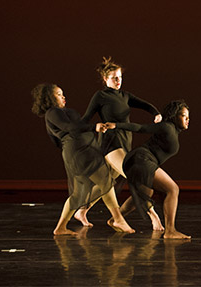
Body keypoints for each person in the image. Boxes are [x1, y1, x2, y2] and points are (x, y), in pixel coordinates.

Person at [31, 83, 136, 235]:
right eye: (59, 94)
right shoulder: (52, 112)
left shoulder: (60, 112)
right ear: (49, 98)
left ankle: (60, 227)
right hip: (79, 153)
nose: (63, 97)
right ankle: (118, 218)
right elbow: (70, 129)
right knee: (105, 179)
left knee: (80, 193)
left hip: (83, 150)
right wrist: (93, 128)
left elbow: (70, 131)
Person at [73, 57, 163, 228]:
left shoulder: (125, 95)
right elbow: (85, 120)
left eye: (120, 77)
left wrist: (156, 113)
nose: (118, 81)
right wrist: (94, 127)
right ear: (105, 79)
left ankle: (81, 210)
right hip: (110, 144)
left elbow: (146, 105)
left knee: (107, 182)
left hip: (124, 142)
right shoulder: (100, 96)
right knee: (136, 176)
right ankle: (153, 216)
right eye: (114, 78)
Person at [108, 100, 191, 239]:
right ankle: (170, 231)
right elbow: (141, 128)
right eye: (184, 116)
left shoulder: (172, 131)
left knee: (145, 193)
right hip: (142, 159)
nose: (187, 120)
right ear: (174, 116)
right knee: (173, 189)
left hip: (141, 160)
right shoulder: (167, 127)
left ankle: (115, 219)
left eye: (188, 117)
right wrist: (116, 125)